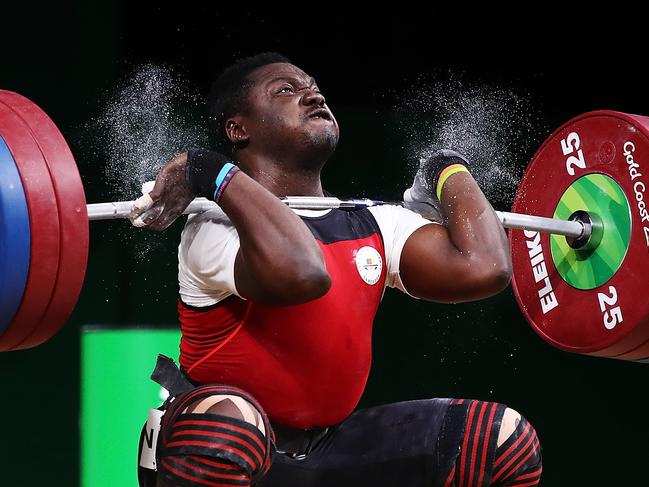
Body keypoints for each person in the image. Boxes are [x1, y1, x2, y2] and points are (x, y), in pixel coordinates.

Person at [132, 52, 542, 487]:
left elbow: (486, 267)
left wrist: (445, 169)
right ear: (238, 129)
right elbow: (303, 273)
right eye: (286, 90)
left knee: (501, 442)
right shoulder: (212, 229)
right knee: (230, 436)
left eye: (312, 85)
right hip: (208, 450)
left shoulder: (374, 223)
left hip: (321, 452)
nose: (313, 94)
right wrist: (207, 168)